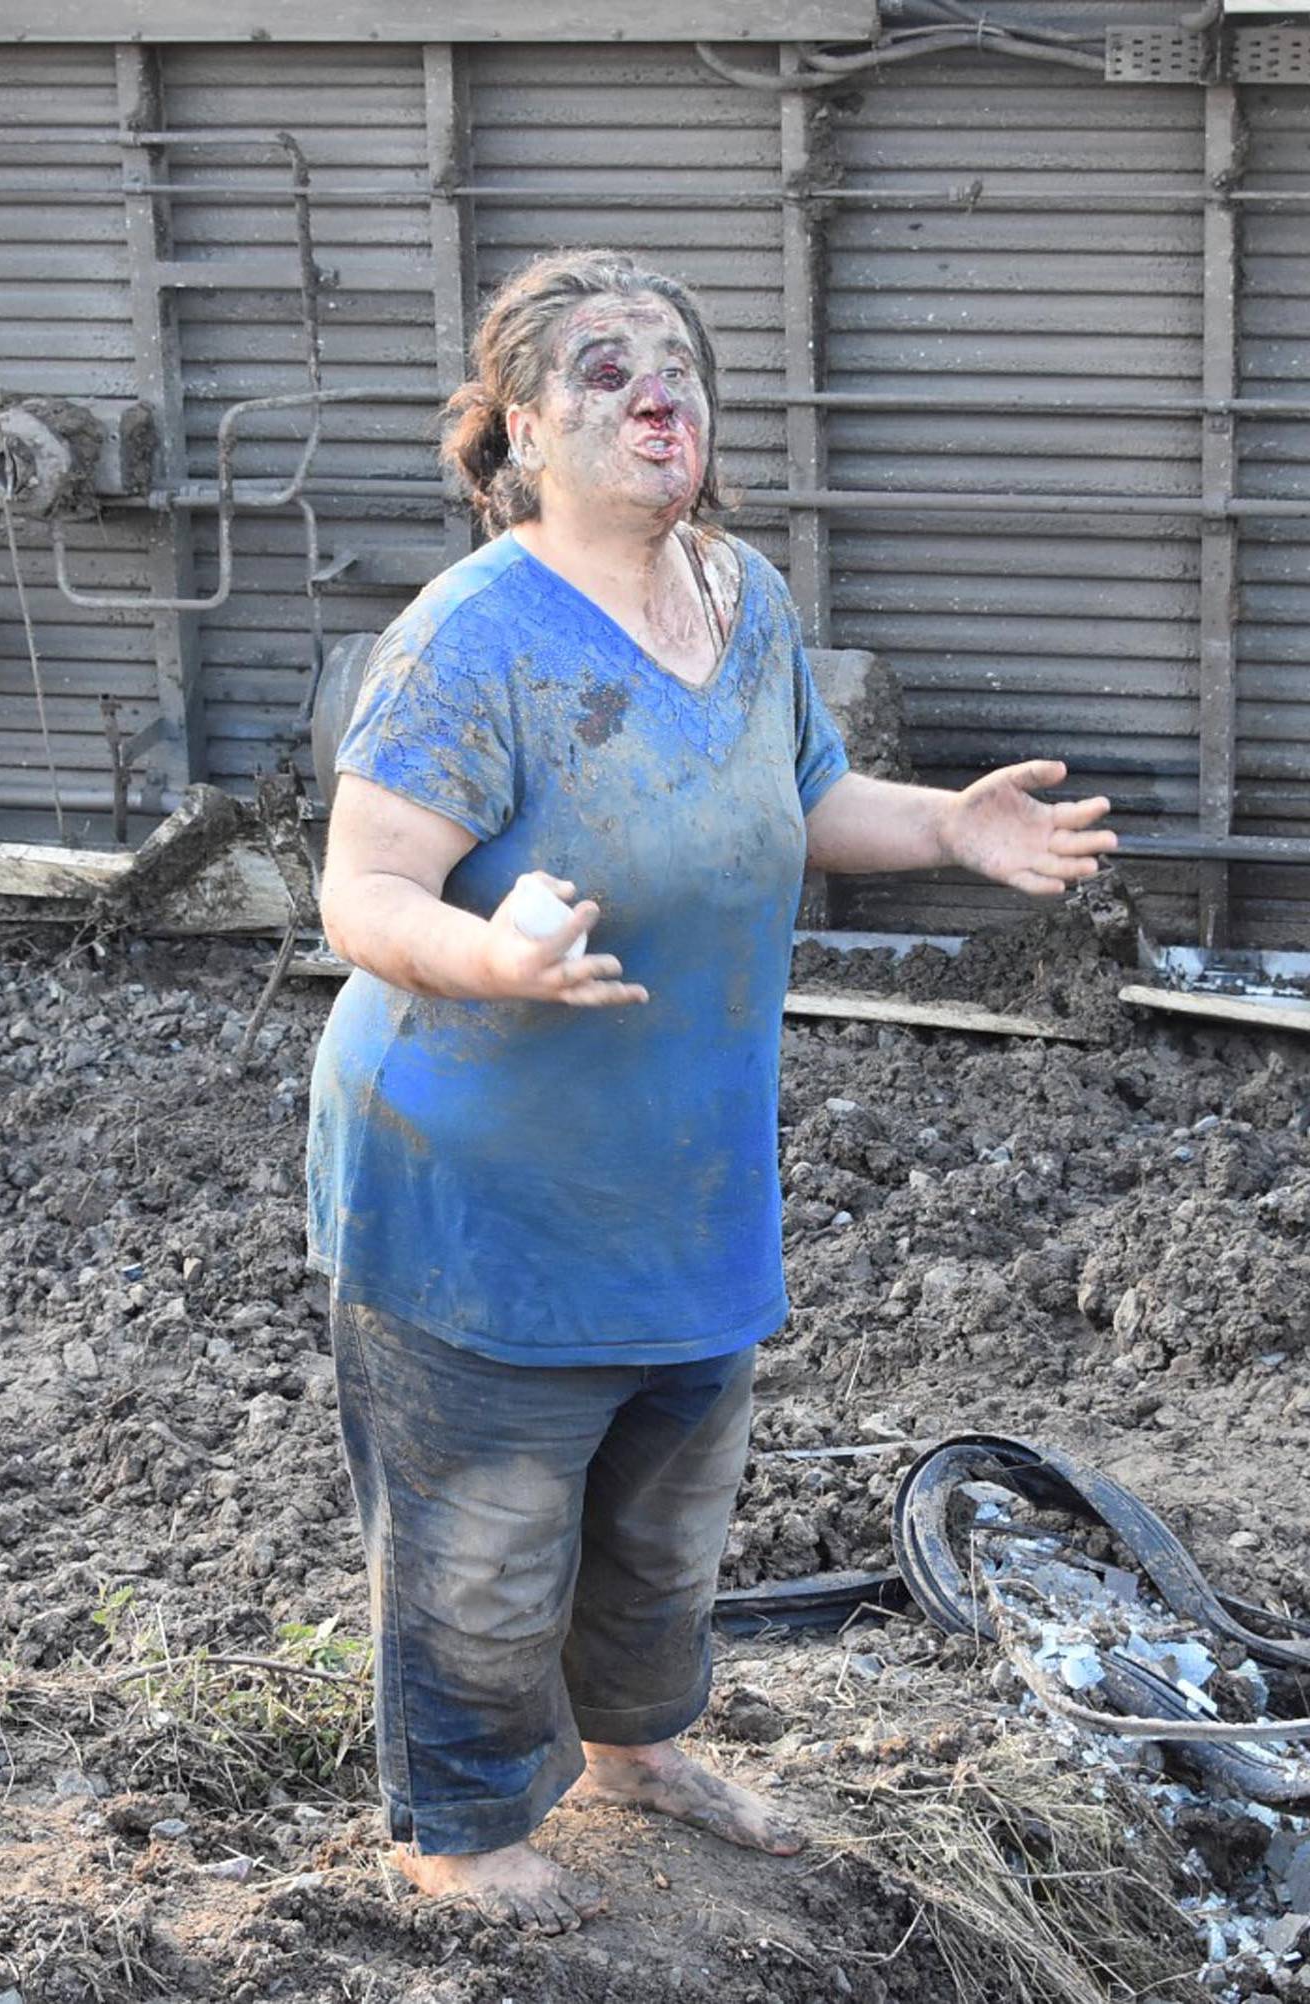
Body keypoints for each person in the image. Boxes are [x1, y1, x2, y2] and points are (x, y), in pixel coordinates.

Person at [306, 248, 1117, 1935]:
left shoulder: (742, 598)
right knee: (485, 1536)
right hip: (476, 1185)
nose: (653, 386)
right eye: (601, 369)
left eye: (672, 359)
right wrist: (491, 954)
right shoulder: (472, 639)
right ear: (519, 429)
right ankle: (452, 1833)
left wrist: (950, 830)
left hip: (677, 1176)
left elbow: (805, 794)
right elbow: (362, 894)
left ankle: (638, 1748)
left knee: (669, 1514)